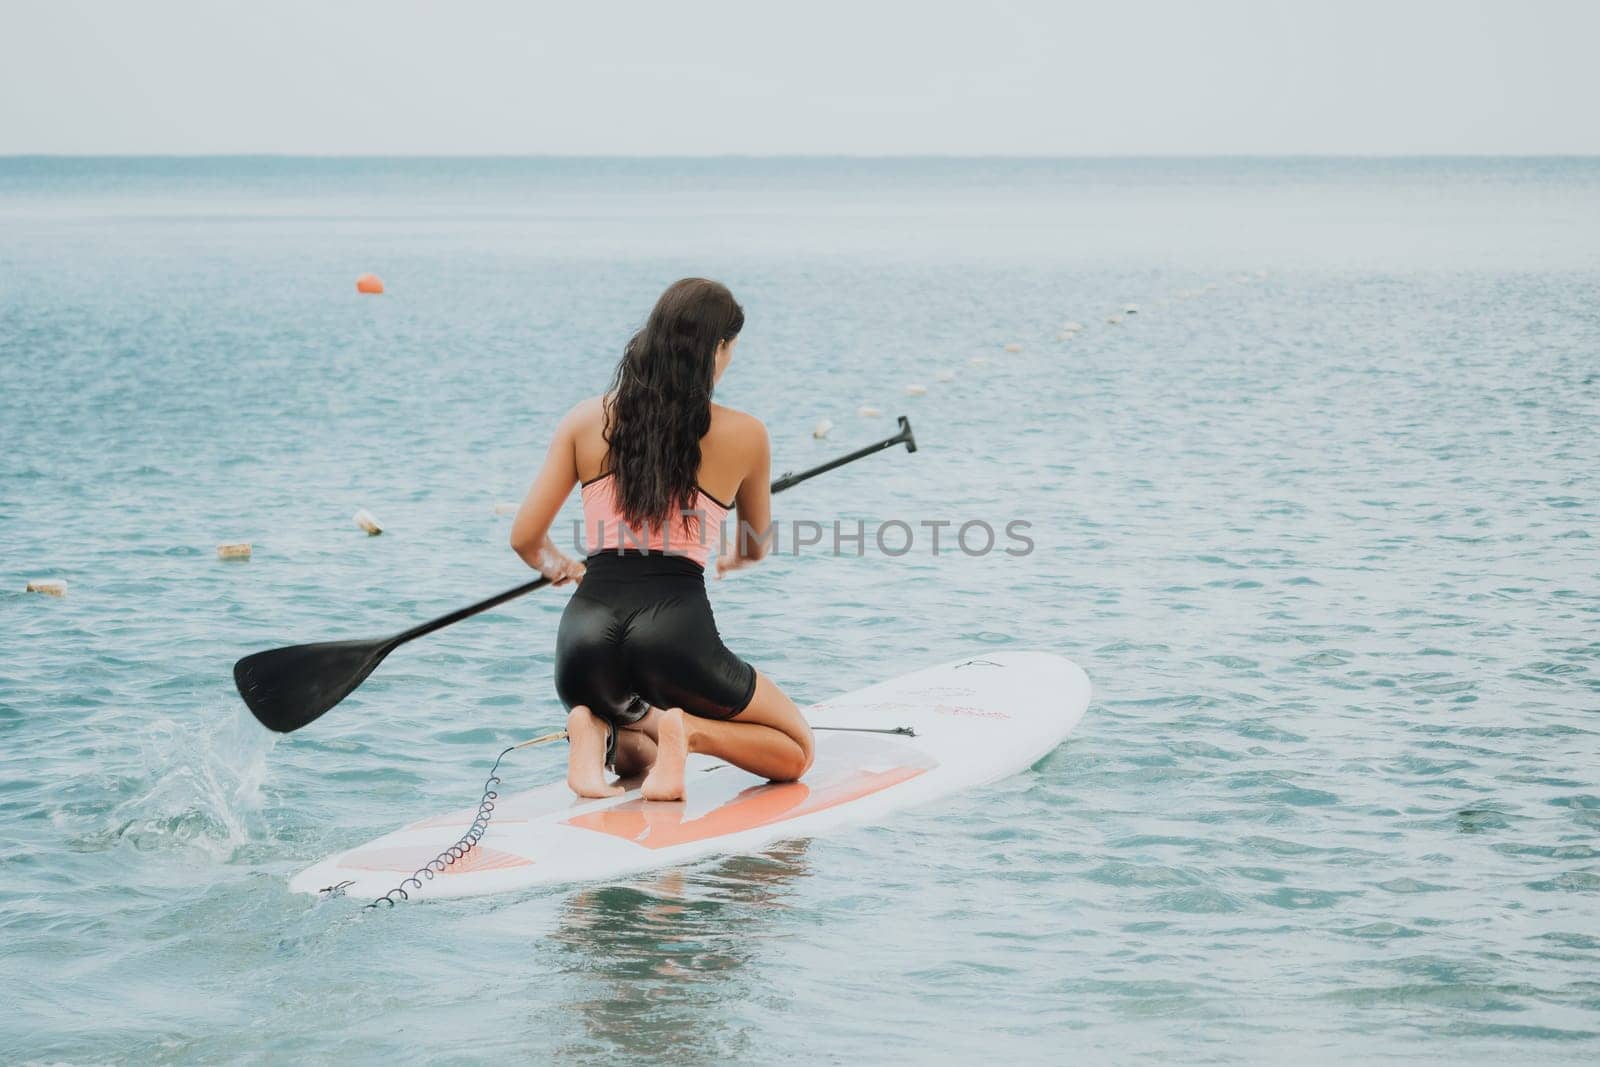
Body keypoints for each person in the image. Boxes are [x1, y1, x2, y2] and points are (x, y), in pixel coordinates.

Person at [509, 278, 814, 802]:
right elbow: (755, 544)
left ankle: (594, 729)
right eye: (731, 349)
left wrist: (560, 565)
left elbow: (525, 538)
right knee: (794, 751)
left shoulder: (585, 418)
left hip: (583, 644)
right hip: (674, 637)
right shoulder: (747, 433)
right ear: (717, 349)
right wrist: (735, 558)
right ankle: (691, 732)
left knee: (640, 753)